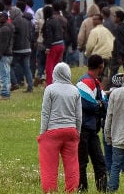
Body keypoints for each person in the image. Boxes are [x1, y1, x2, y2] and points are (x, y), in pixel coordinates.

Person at [38, 62, 82, 193]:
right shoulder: (75, 90)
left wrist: (42, 133)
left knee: (49, 166)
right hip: (71, 131)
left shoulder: (50, 89)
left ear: (54, 73)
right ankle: (71, 190)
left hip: (52, 131)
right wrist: (77, 132)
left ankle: (50, 191)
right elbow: (78, 115)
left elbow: (45, 113)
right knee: (72, 165)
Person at [76, 54, 108, 192]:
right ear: (101, 66)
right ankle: (83, 189)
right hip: (83, 128)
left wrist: (100, 104)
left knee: (99, 162)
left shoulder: (95, 82)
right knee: (83, 163)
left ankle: (101, 189)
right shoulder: (84, 82)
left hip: (91, 129)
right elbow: (89, 105)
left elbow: (104, 105)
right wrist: (100, 105)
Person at [85, 14, 114, 90]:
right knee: (105, 75)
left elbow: (90, 45)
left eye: (95, 19)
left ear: (101, 20)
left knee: (96, 75)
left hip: (97, 56)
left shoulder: (94, 31)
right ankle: (103, 91)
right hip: (107, 55)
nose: (93, 21)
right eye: (93, 19)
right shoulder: (107, 31)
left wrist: (87, 54)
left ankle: (97, 90)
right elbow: (112, 41)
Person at [12, 1, 34, 93]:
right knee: (27, 68)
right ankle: (30, 86)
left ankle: (14, 83)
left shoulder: (15, 22)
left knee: (10, 66)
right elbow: (30, 34)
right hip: (27, 48)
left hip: (18, 49)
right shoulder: (28, 21)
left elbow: (13, 35)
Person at [109, 10, 124, 86]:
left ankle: (110, 88)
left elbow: (119, 42)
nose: (114, 18)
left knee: (113, 73)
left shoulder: (118, 29)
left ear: (119, 18)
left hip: (118, 55)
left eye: (115, 17)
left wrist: (119, 55)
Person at [42, 6, 65, 86]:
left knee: (49, 66)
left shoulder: (48, 22)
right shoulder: (56, 20)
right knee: (56, 65)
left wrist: (48, 47)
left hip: (54, 46)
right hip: (61, 44)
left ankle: (49, 84)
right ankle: (58, 82)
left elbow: (49, 36)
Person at [0, 12, 14, 100]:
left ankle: (4, 94)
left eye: (0, 17)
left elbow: (3, 43)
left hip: (4, 55)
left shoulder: (4, 29)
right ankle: (6, 92)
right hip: (7, 54)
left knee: (3, 75)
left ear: (5, 18)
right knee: (6, 74)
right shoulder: (7, 27)